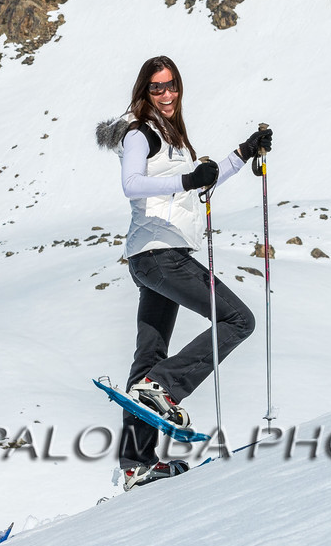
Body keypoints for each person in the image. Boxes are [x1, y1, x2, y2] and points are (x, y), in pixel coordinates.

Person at [95, 56, 272, 490]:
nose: (167, 94)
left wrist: (243, 153)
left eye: (171, 85)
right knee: (238, 320)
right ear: (144, 92)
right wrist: (188, 179)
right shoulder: (140, 133)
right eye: (157, 88)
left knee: (148, 357)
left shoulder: (174, 140)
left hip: (153, 256)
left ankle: (137, 461)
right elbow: (131, 184)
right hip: (160, 254)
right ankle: (166, 387)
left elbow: (200, 182)